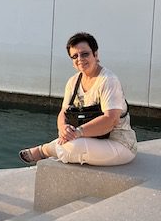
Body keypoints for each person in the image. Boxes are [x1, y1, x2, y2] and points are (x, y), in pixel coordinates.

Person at [19, 32, 137, 166]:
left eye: (85, 54)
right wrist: (63, 128)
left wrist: (78, 132)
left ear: (96, 55)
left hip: (119, 144)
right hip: (90, 138)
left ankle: (45, 150)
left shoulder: (108, 80)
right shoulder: (73, 82)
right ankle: (47, 149)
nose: (80, 59)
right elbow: (63, 112)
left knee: (72, 148)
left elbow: (111, 120)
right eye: (75, 56)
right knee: (70, 144)